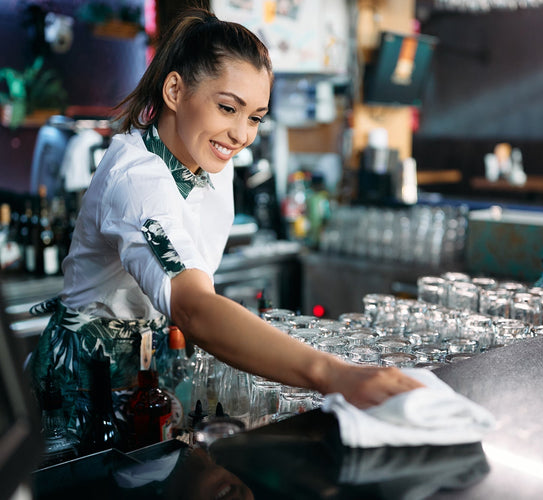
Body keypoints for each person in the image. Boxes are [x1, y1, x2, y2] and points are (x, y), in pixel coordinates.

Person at [27, 7, 423, 440]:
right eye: (227, 108)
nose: (241, 135)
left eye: (254, 117)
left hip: (149, 368)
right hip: (83, 385)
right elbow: (194, 306)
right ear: (175, 90)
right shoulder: (137, 179)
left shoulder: (212, 160)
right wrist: (333, 373)